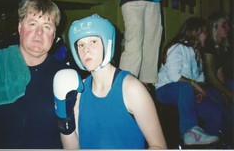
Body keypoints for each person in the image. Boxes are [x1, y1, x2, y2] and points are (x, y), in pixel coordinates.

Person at [0, 0, 71, 149]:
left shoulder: (64, 75)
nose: (39, 33)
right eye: (32, 24)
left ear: (54, 34)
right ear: (19, 28)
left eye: (47, 27)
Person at [54, 14, 166, 149]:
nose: (86, 49)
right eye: (81, 44)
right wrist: (64, 119)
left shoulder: (131, 88)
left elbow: (159, 146)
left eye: (93, 41)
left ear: (108, 43)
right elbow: (72, 148)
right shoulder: (79, 91)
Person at [155, 17, 222, 145]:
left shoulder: (196, 53)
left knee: (215, 112)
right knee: (185, 87)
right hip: (166, 90)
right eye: (204, 32)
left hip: (187, 93)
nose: (206, 36)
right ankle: (189, 131)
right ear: (195, 32)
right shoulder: (177, 48)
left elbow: (200, 77)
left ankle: (203, 141)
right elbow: (174, 76)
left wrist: (199, 91)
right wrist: (195, 85)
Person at [204, 12, 234, 146]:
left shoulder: (221, 46)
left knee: (230, 85)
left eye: (228, 25)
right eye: (224, 25)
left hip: (216, 86)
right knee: (222, 110)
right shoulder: (208, 44)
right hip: (204, 86)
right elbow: (210, 76)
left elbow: (220, 72)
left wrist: (225, 93)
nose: (228, 28)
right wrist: (227, 93)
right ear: (215, 28)